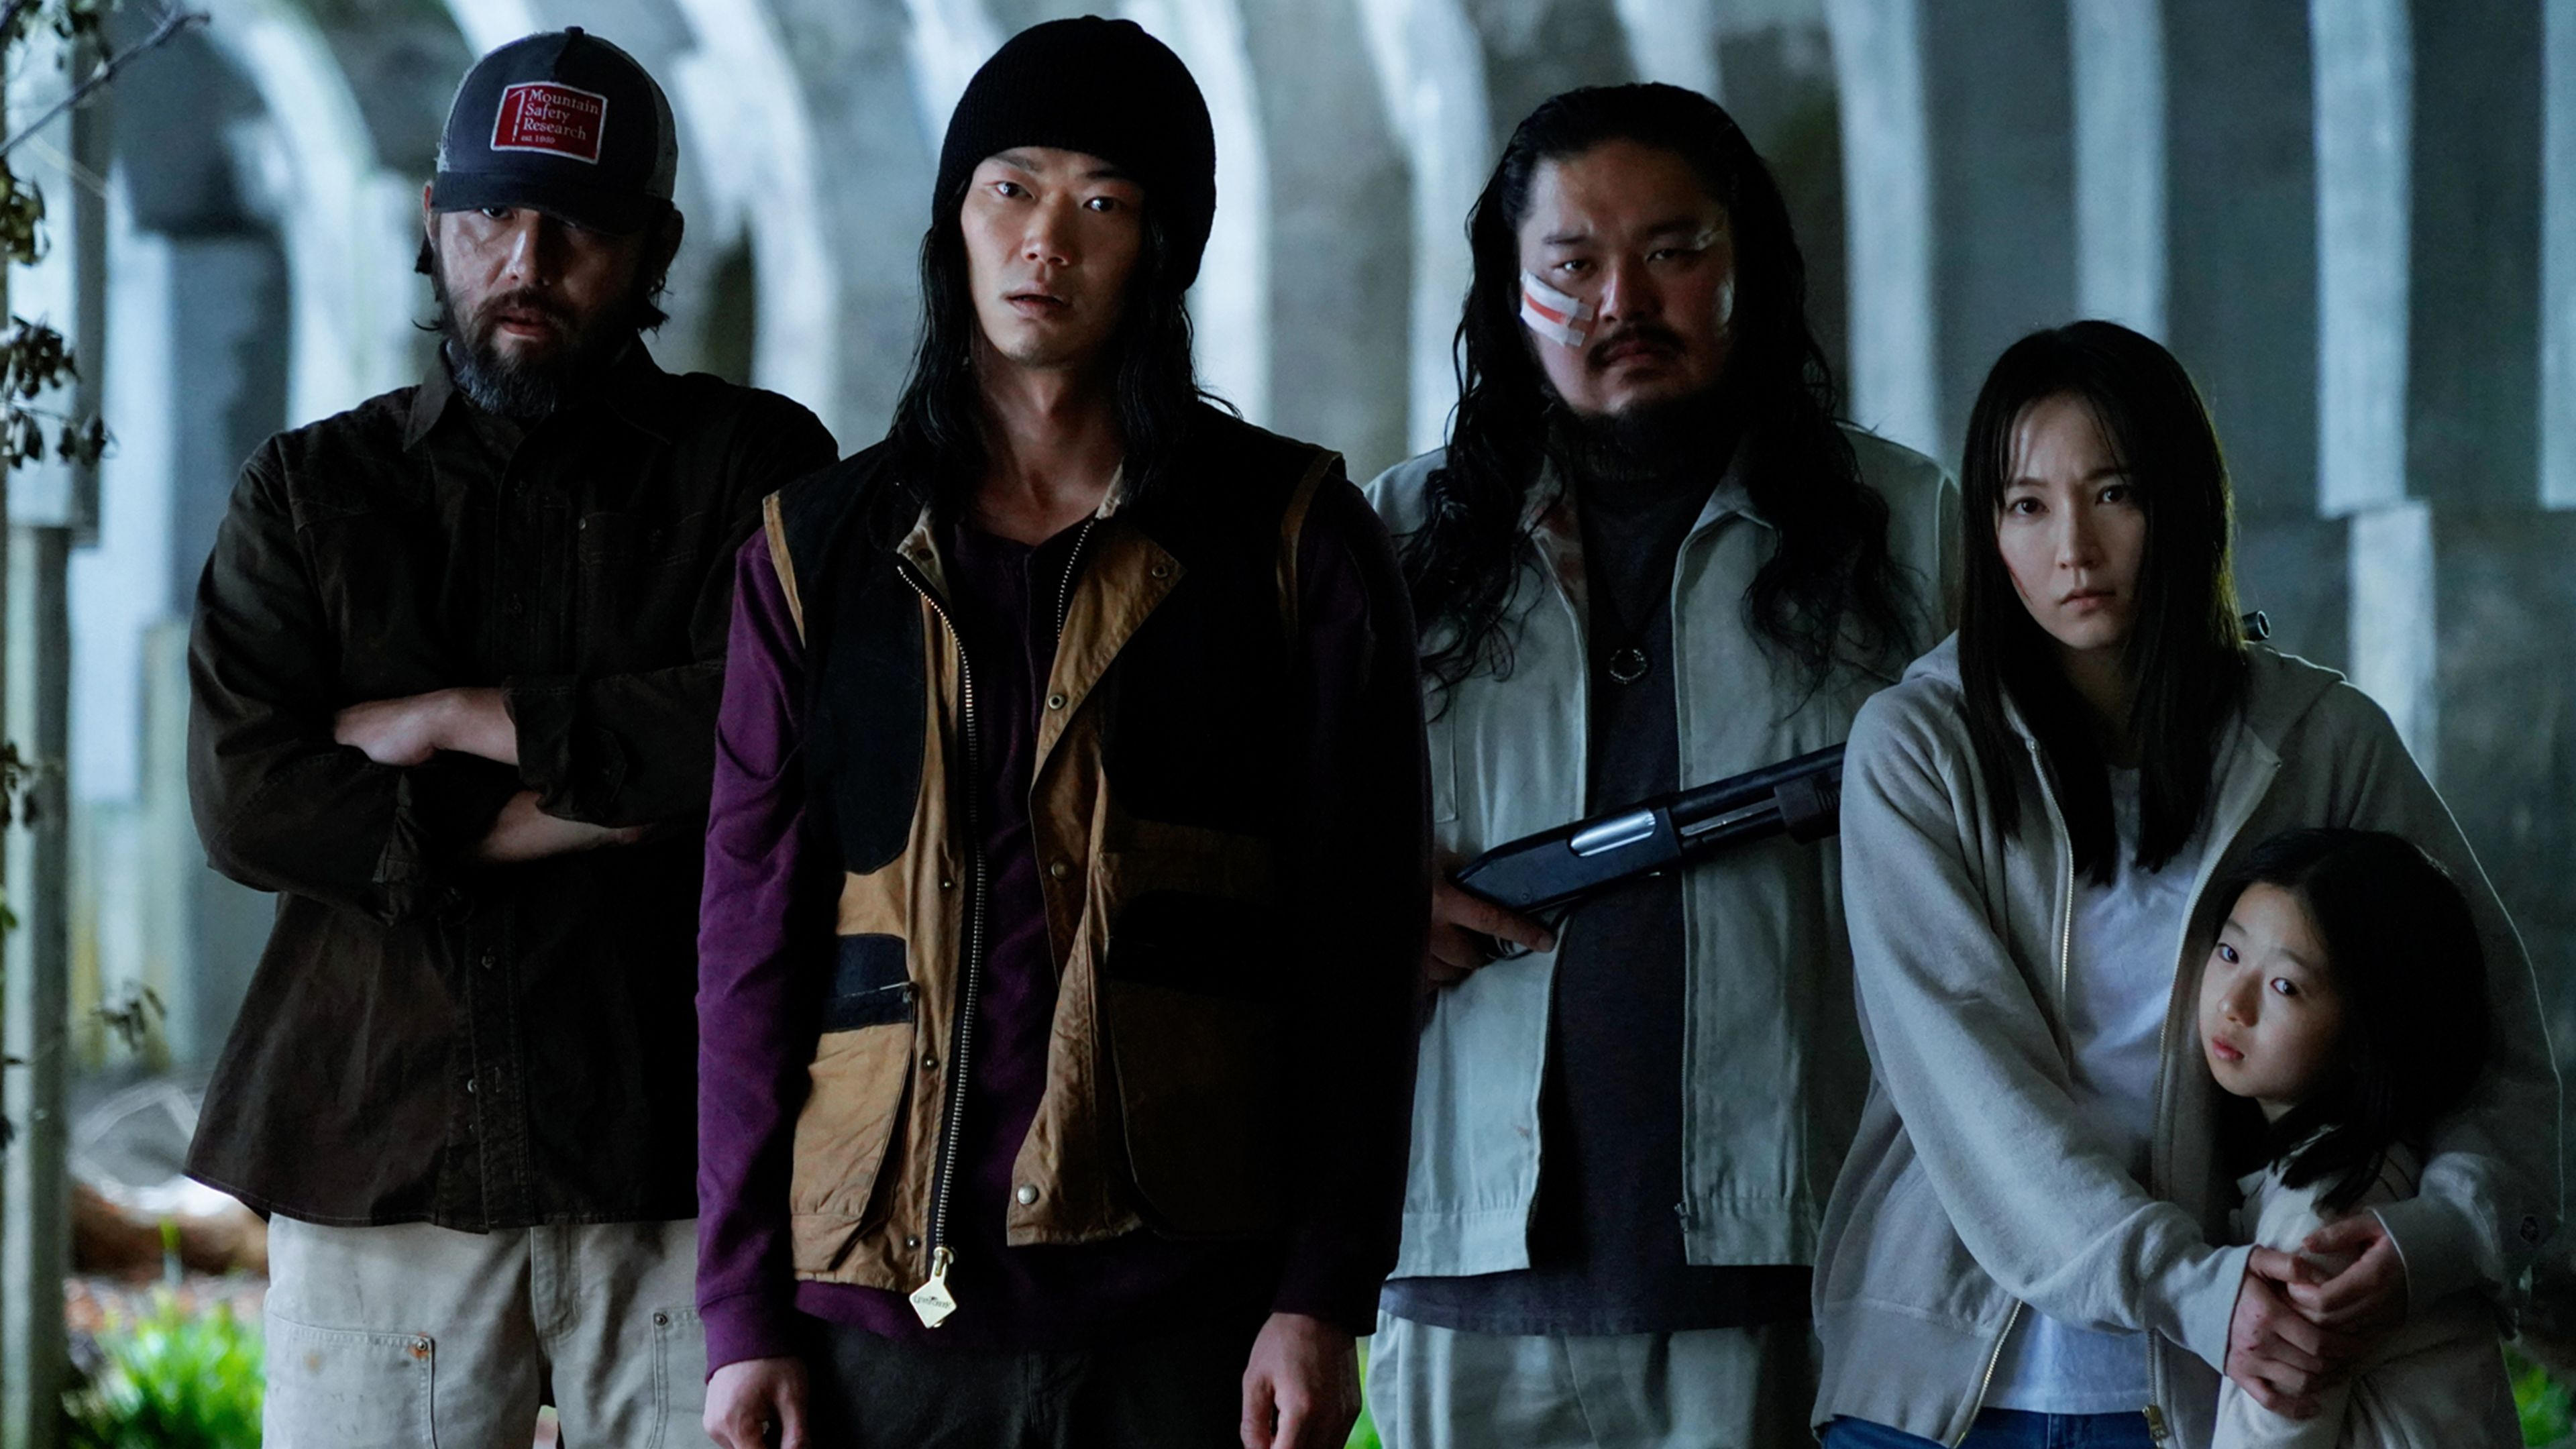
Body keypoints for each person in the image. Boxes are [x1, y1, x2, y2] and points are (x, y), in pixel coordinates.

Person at [693, 17, 1427, 1449]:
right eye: (1010, 189)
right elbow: (747, 946)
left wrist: (1323, 1289)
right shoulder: (815, 551)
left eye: (1104, 202)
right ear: (953, 224)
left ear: (1164, 248)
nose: (1047, 241)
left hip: (1187, 1297)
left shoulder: (1291, 538)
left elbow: (1359, 938)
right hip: (881, 1308)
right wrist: (742, 1311)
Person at [183, 27, 835, 1448]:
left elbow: (779, 732)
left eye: (578, 227)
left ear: (656, 249)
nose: (525, 261)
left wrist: (454, 721)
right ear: (435, 223)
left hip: (680, 1158)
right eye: (490, 217)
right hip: (380, 1148)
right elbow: (250, 802)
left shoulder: (759, 465)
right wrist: (597, 799)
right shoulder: (310, 489)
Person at [1812, 321, 2559, 1448]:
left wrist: (2440, 1236)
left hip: (2227, 1386)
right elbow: (1965, 1076)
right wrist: (2195, 1290)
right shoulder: (1920, 747)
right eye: (2027, 506)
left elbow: (2487, 1035)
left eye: (2114, 493)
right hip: (1950, 1381)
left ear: (2185, 501)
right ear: (1989, 531)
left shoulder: (2322, 742)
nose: (2073, 548)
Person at [1359, 84, 1956, 1449]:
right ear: (1510, 294)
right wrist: (1360, 903)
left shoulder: (1906, 527)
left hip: (1798, 1255)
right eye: (1573, 264)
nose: (1623, 300)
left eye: (1674, 252)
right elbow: (1259, 847)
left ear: (1750, 269)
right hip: (1462, 1268)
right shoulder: (1388, 539)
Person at [2200, 828, 2520, 1447]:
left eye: (2286, 986)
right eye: (2230, 953)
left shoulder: (2322, 1214)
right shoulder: (2382, 1162)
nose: (2233, 1004)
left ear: (2367, 1030)